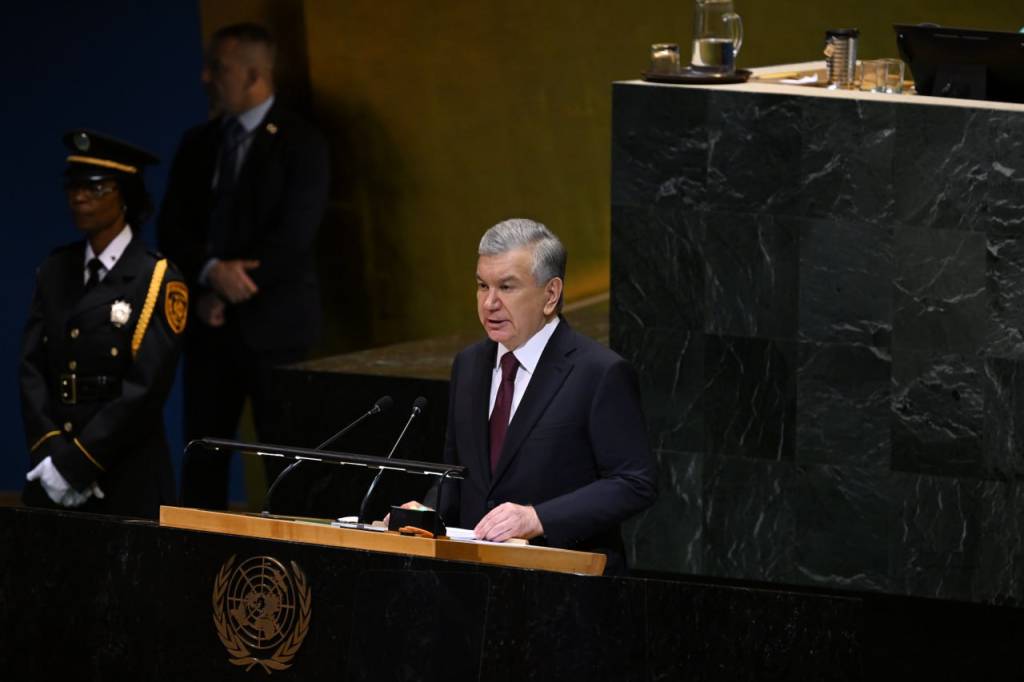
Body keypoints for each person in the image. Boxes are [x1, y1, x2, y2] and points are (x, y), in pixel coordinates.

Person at [157, 22, 329, 510]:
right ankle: (195, 556)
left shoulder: (301, 141)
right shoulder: (198, 142)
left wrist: (236, 283)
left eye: (218, 68)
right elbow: (172, 228)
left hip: (278, 331)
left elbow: (295, 235)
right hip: (208, 328)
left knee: (288, 467)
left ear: (254, 75)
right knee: (203, 462)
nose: (205, 78)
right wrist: (210, 275)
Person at [424, 218, 657, 574]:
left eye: (506, 287)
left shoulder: (599, 372)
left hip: (563, 582)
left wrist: (538, 518)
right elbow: (457, 473)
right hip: (474, 582)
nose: (489, 302)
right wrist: (424, 515)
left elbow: (635, 483)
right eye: (482, 286)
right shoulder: (469, 365)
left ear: (551, 295)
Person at [20, 130, 187, 519]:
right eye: (73, 187)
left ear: (125, 195)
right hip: (54, 465)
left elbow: (145, 388)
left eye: (95, 188)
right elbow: (31, 368)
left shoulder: (155, 277)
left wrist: (79, 463)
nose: (79, 198)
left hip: (125, 469)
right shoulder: (55, 269)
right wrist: (51, 454)